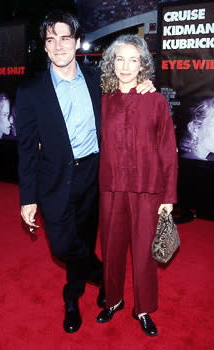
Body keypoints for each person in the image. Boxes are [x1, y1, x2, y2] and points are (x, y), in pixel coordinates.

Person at [15, 10, 155, 334]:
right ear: (45, 47)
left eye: (65, 38)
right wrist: (27, 198)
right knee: (63, 247)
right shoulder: (31, 91)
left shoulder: (97, 79)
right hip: (54, 180)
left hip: (95, 175)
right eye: (51, 40)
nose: (59, 45)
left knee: (86, 237)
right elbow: (25, 150)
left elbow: (127, 91)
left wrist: (145, 85)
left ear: (77, 42)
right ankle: (105, 275)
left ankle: (72, 298)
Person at [96, 34, 178, 337]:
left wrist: (169, 196)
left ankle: (143, 309)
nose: (125, 66)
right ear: (111, 62)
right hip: (112, 189)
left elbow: (168, 149)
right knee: (111, 249)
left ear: (143, 64)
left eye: (133, 59)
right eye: (119, 59)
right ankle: (113, 300)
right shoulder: (102, 100)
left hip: (148, 190)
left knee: (144, 253)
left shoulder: (156, 101)